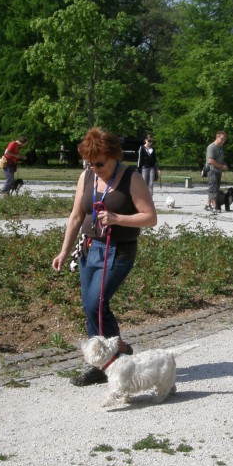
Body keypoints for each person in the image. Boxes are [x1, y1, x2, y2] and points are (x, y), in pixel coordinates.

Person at [52, 128, 158, 386]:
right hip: (90, 248)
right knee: (92, 307)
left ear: (114, 156)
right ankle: (109, 357)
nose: (95, 168)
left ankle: (108, 358)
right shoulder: (86, 176)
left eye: (100, 163)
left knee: (94, 304)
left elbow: (150, 217)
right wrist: (64, 250)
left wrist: (117, 218)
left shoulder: (131, 178)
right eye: (90, 163)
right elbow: (76, 216)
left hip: (118, 251)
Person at [205, 131, 228, 211]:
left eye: (224, 139)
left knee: (215, 188)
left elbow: (221, 159)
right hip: (212, 170)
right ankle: (215, 206)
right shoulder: (211, 147)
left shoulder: (220, 148)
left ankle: (208, 205)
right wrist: (222, 166)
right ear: (217, 137)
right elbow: (210, 161)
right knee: (213, 188)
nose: (223, 141)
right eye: (222, 139)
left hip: (218, 171)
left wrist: (224, 165)